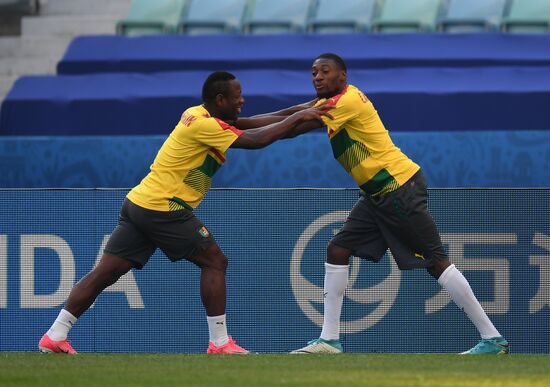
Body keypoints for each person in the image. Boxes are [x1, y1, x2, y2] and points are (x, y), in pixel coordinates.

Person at [38, 71, 331, 355]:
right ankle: (219, 343)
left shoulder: (202, 114)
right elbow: (257, 139)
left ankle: (55, 335)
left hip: (140, 203)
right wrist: (299, 117)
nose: (242, 101)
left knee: (107, 272)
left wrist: (308, 109)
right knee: (214, 261)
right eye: (237, 97)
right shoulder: (204, 126)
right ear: (219, 100)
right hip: (164, 208)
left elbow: (257, 123)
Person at [288, 53, 509, 355]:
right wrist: (237, 126)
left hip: (398, 189)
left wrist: (241, 136)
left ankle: (492, 338)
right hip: (377, 195)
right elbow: (291, 114)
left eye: (324, 71)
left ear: (343, 76)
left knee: (435, 261)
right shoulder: (328, 104)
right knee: (338, 249)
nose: (317, 77)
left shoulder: (347, 101)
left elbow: (293, 123)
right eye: (313, 72)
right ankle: (329, 340)